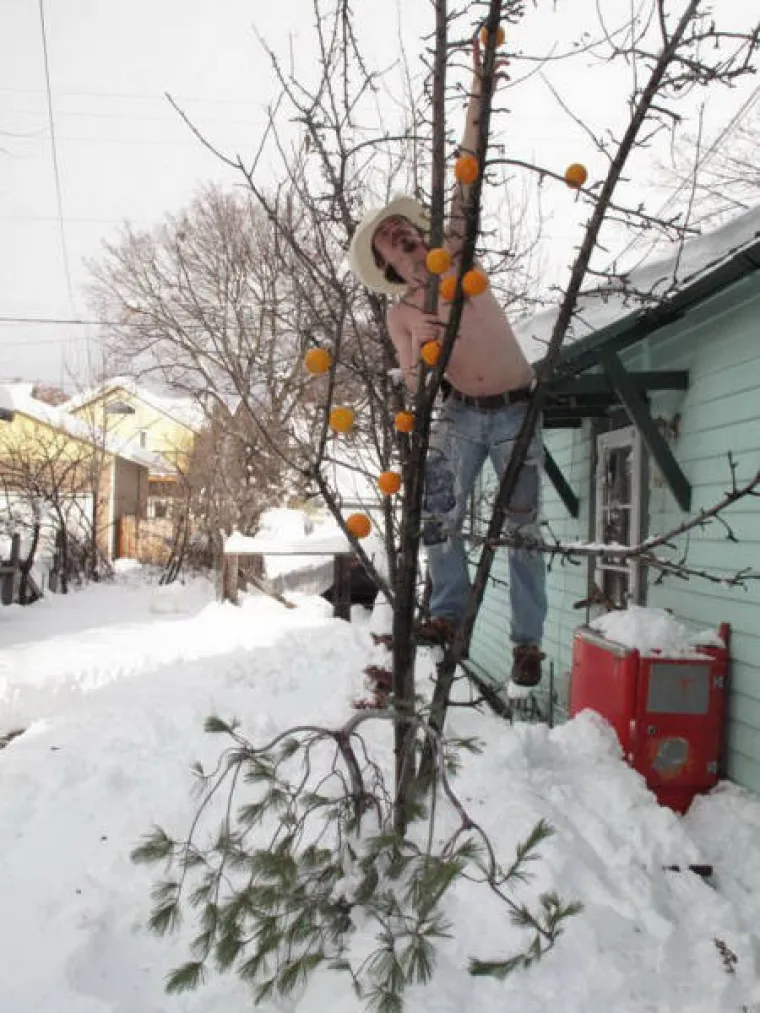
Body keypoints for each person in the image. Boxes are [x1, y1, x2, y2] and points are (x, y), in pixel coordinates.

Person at [348, 39, 546, 690]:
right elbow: (412, 391)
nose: (400, 238)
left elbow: (469, 163)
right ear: (387, 266)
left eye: (401, 228)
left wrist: (479, 85)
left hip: (516, 405)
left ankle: (526, 643)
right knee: (437, 516)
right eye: (388, 242)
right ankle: (448, 617)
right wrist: (426, 359)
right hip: (459, 416)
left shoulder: (453, 254)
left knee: (521, 530)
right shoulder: (401, 314)